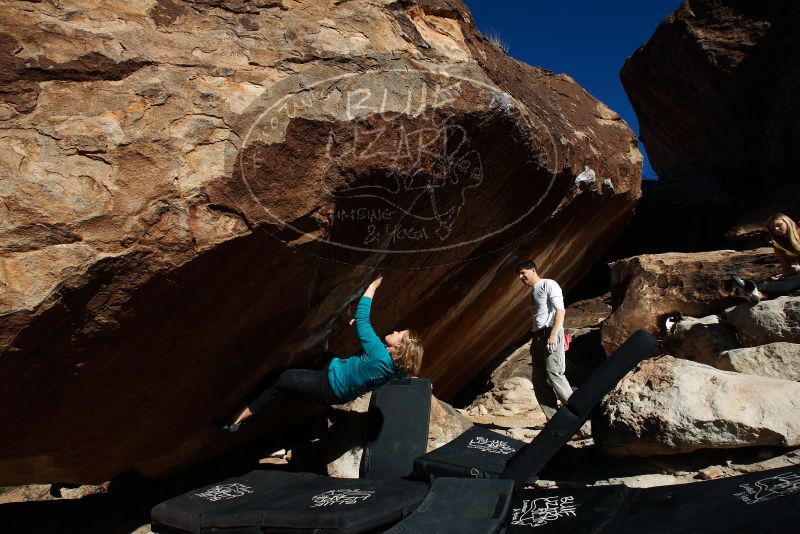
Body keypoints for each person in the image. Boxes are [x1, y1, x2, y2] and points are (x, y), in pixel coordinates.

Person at [219, 275, 423, 432]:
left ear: (398, 348)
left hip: (328, 385)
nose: (396, 331)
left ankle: (234, 422)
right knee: (327, 355)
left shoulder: (379, 355)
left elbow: (363, 319)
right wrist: (352, 322)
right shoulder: (395, 369)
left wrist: (373, 285)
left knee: (278, 379)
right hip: (338, 383)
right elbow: (376, 350)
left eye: (400, 335)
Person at [516, 260, 571, 421]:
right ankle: (553, 418)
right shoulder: (533, 291)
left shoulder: (548, 284)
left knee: (554, 372)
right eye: (519, 274)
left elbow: (560, 310)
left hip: (551, 332)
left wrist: (554, 334)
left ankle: (576, 411)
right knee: (539, 377)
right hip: (538, 335)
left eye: (523, 272)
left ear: (533, 270)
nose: (521, 277)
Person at [733, 213, 800, 303]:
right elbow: (787, 269)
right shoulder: (778, 246)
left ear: (787, 222)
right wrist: (785, 274)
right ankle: (761, 295)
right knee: (787, 281)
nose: (776, 229)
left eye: (779, 225)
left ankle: (754, 287)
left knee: (792, 281)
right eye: (773, 228)